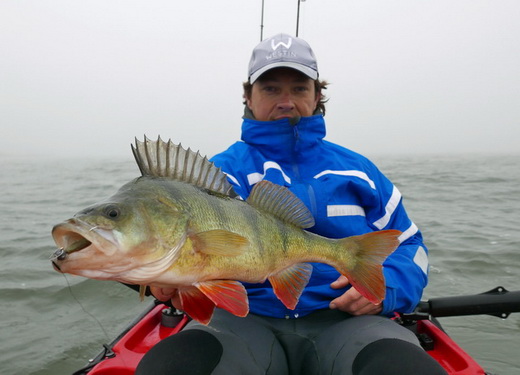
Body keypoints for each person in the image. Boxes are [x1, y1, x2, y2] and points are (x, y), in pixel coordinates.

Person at [136, 33, 447, 375]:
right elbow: (175, 248)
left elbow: (410, 245)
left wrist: (388, 287)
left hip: (347, 323)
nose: (286, 101)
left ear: (317, 96)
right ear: (248, 97)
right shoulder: (217, 176)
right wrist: (163, 280)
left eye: (299, 88)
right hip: (241, 322)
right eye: (271, 88)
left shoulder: (360, 172)